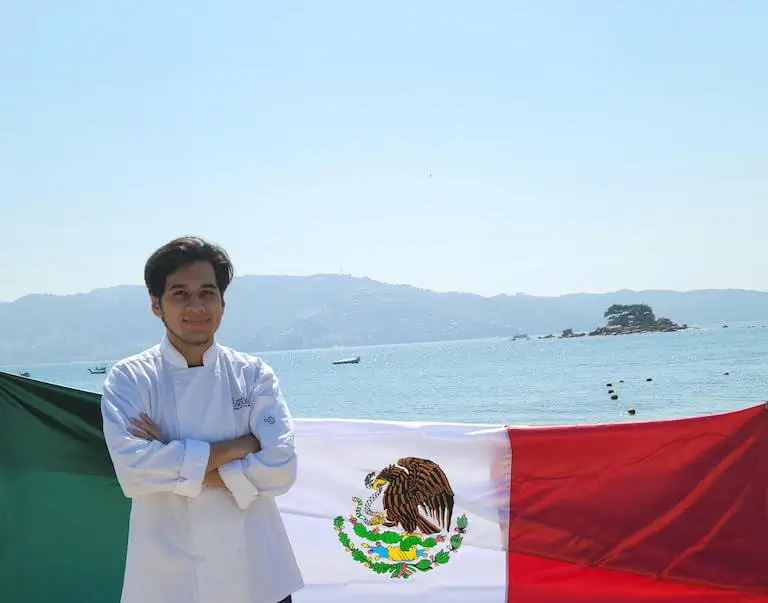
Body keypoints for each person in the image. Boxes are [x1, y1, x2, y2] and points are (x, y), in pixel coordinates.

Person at [100, 236, 303, 603]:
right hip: (167, 579)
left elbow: (282, 468)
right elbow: (133, 471)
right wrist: (243, 446)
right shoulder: (130, 378)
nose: (196, 305)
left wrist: (173, 455)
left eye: (207, 293)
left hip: (256, 577)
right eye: (180, 293)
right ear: (156, 305)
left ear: (223, 303)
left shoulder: (254, 374)